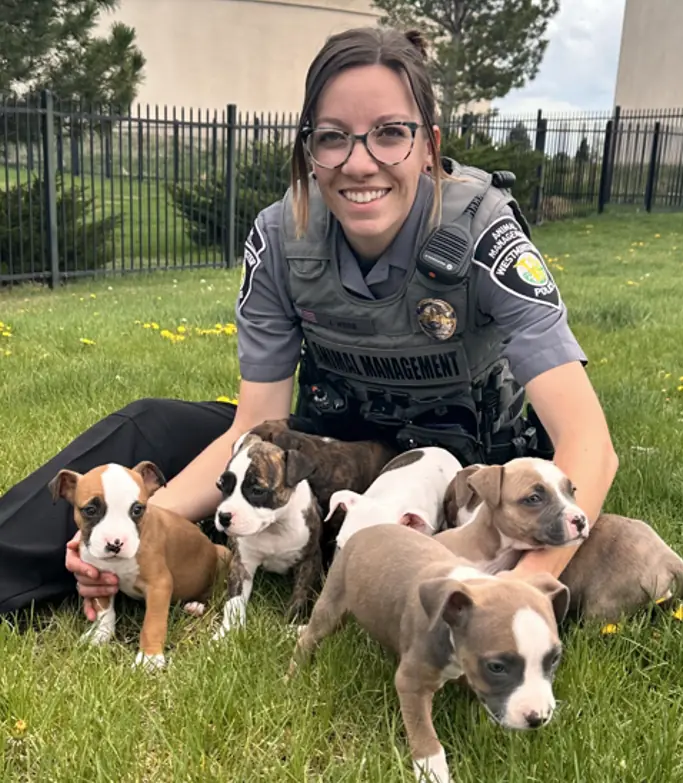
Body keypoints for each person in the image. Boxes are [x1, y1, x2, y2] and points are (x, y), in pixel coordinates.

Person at [0, 26, 618, 623]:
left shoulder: (485, 233)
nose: (359, 163)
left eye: (390, 134)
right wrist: (143, 525)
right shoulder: (280, 236)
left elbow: (588, 443)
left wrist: (521, 586)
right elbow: (254, 424)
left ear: (429, 145)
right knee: (150, 424)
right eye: (332, 137)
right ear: (308, 151)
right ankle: (49, 564)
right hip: (327, 460)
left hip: (454, 474)